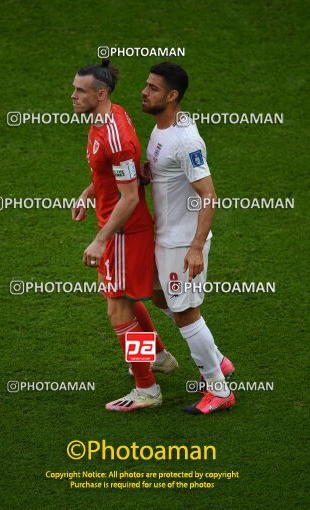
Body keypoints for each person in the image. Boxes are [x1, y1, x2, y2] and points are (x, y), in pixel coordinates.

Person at [71, 60, 178, 412]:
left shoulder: (114, 133)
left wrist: (101, 239)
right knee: (128, 299)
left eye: (80, 91)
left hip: (123, 232)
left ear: (101, 94)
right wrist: (90, 193)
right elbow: (117, 178)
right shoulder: (106, 117)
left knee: (117, 309)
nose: (73, 96)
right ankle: (159, 356)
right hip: (121, 228)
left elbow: (130, 196)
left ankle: (147, 388)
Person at [141, 62, 235, 415]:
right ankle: (217, 360)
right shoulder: (161, 129)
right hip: (165, 238)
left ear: (172, 95)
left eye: (152, 87)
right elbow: (167, 173)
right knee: (155, 293)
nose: (144, 92)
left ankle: (218, 388)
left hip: (183, 242)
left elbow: (208, 196)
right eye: (146, 85)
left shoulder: (186, 140)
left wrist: (196, 247)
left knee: (185, 313)